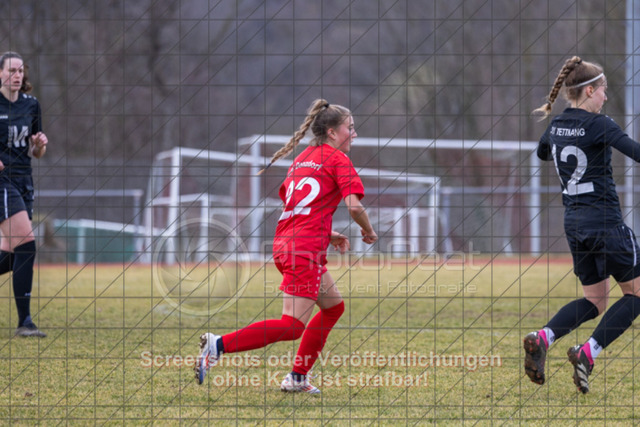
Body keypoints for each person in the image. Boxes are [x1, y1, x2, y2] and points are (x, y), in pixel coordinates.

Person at [195, 99, 377, 393]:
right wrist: (368, 231)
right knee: (292, 325)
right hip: (303, 250)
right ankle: (218, 345)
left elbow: (298, 207)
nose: (354, 133)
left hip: (287, 243)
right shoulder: (338, 159)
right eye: (350, 128)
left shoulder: (303, 158)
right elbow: (354, 207)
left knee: (333, 308)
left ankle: (297, 378)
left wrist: (327, 233)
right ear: (332, 132)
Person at [524, 56, 640, 394]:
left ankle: (543, 336)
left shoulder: (557, 124)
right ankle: (588, 352)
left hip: (574, 225)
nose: (606, 95)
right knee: (635, 294)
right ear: (589, 91)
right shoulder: (600, 124)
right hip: (605, 223)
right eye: (603, 89)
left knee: (595, 300)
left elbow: (543, 153)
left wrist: (566, 131)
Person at [0, 52, 48, 338]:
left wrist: (40, 144)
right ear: (0, 73)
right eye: (11, 70)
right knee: (27, 246)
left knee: (10, 257)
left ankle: (25, 322)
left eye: (20, 71)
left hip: (24, 182)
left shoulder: (32, 105)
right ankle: (25, 322)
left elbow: (37, 152)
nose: (17, 75)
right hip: (1, 182)